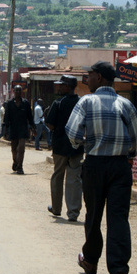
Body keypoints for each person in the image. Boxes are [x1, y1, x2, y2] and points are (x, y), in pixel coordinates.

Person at [66, 61, 137, 274]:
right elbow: (136, 139)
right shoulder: (126, 104)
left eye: (88, 76)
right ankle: (119, 272)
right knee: (118, 217)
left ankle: (90, 261)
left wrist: (80, 143)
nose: (86, 80)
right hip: (120, 167)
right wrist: (128, 153)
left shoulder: (86, 102)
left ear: (99, 77)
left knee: (94, 215)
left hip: (95, 165)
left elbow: (72, 132)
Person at [46, 75, 84, 221]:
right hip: (77, 146)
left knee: (58, 176)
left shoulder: (58, 103)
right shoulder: (82, 102)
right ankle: (73, 212)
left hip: (60, 146)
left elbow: (51, 125)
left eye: (61, 85)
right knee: (74, 178)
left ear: (67, 86)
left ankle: (56, 208)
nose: (59, 87)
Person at [2, 85, 35, 174]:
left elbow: (30, 117)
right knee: (14, 149)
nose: (18, 92)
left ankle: (20, 167)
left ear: (21, 92)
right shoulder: (9, 103)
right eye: (16, 91)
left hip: (23, 129)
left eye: (19, 91)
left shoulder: (26, 103)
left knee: (21, 148)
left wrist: (33, 127)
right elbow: (6, 117)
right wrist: (5, 129)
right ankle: (15, 162)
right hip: (13, 129)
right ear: (13, 92)